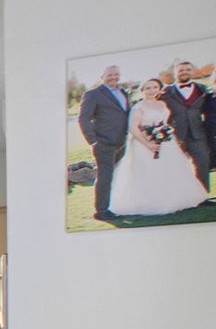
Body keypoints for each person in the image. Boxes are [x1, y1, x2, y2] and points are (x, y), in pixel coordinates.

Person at [109, 78, 210, 217]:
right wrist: (149, 144)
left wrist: (166, 133)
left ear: (159, 89)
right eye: (148, 88)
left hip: (167, 142)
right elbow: (133, 128)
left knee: (171, 169)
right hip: (144, 143)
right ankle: (153, 201)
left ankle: (175, 198)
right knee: (150, 172)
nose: (152, 91)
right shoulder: (138, 107)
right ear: (142, 90)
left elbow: (165, 122)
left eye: (155, 87)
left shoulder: (162, 103)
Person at [76, 64, 129, 221]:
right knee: (105, 177)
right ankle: (101, 211)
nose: (113, 77)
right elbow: (83, 119)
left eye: (116, 74)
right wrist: (93, 142)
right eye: (109, 75)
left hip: (122, 142)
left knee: (116, 175)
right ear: (102, 77)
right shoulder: (93, 94)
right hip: (103, 143)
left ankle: (114, 205)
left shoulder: (124, 92)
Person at [163, 60, 213, 190]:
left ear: (192, 71)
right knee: (177, 167)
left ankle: (202, 195)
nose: (184, 72)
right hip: (175, 135)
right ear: (175, 73)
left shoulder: (202, 89)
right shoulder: (165, 92)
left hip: (198, 133)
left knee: (203, 162)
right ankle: (180, 194)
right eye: (181, 70)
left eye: (187, 70)